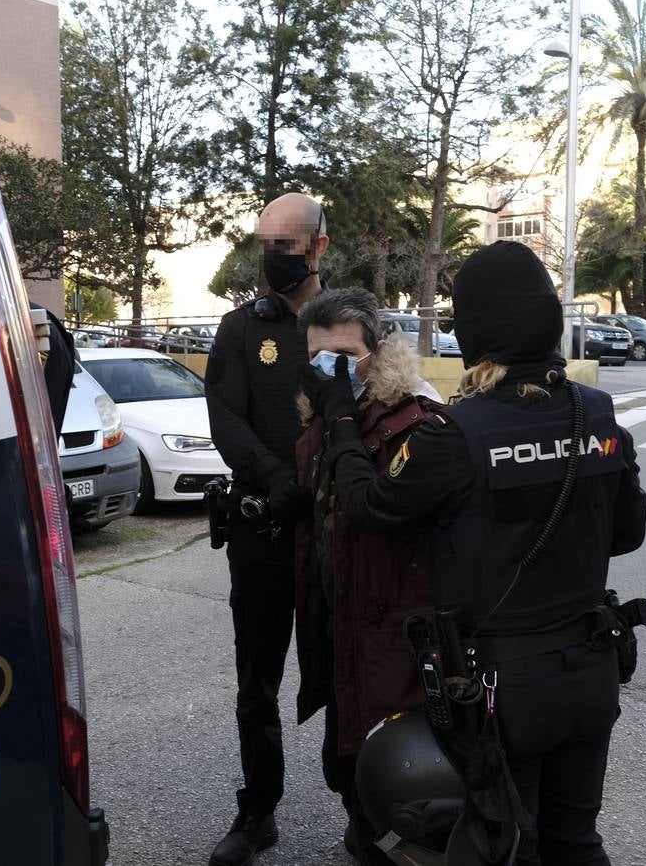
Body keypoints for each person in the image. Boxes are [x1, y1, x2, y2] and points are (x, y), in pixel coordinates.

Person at [301, 240, 646, 866]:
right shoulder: (597, 413)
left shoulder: (454, 434)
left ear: (475, 331)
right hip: (592, 671)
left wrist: (341, 422)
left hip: (503, 692)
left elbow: (370, 506)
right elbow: (626, 535)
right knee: (576, 841)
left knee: (506, 844)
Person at [292, 288, 446, 864]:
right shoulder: (321, 425)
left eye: (344, 356)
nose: (330, 372)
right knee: (344, 762)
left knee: (394, 773)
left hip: (394, 633)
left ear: (377, 352)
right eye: (317, 359)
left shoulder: (414, 419)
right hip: (339, 625)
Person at [204, 191, 328, 866]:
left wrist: (314, 483)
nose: (273, 258)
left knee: (348, 672)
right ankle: (259, 810)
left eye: (286, 245)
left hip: (336, 533)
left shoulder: (351, 323)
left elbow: (378, 412)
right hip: (262, 531)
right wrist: (278, 482)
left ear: (318, 248)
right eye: (265, 245)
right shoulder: (239, 328)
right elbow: (225, 416)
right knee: (257, 683)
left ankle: (368, 810)